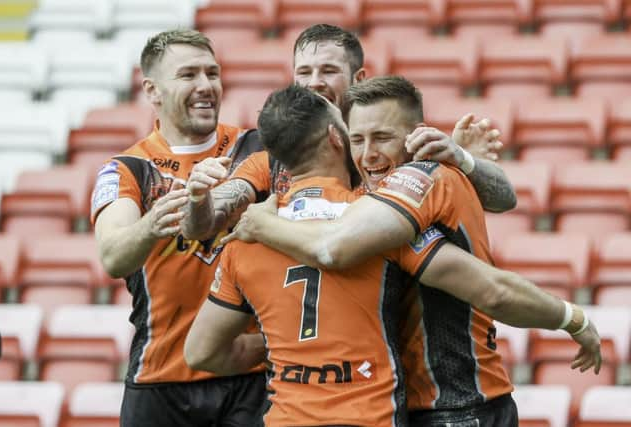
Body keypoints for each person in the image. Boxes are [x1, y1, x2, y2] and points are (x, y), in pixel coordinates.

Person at [221, 78, 602, 427]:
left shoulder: (420, 180)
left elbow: (494, 289)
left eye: (383, 137)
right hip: (425, 406)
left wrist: (574, 319)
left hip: (457, 407)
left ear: (418, 137)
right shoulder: (379, 197)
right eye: (358, 139)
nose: (368, 154)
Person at [181, 24, 516, 242]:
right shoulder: (272, 160)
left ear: (358, 78)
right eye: (304, 72)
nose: (314, 83)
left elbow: (504, 199)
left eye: (328, 70)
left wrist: (462, 160)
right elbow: (200, 227)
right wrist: (198, 197)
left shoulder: (401, 143)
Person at [91, 29, 265, 427]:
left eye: (213, 73)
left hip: (250, 376)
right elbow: (114, 257)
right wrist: (152, 224)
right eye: (188, 75)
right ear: (152, 90)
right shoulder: (128, 168)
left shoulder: (256, 148)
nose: (206, 86)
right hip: (161, 377)